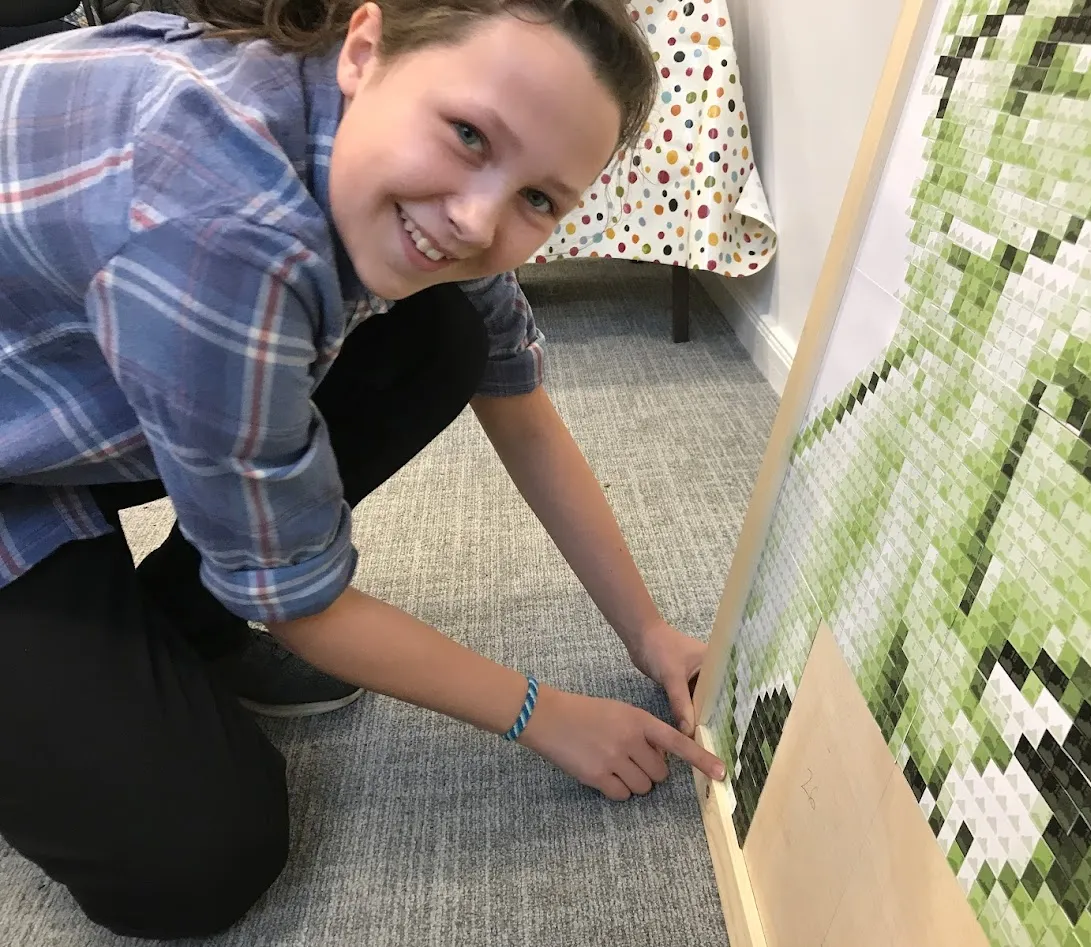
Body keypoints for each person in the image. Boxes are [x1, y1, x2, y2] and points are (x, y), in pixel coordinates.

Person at [0, 1, 726, 939]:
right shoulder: (225, 229)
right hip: (42, 415)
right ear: (364, 49)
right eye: (468, 136)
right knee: (196, 857)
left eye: (538, 199)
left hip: (54, 371)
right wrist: (542, 714)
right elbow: (302, 600)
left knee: (440, 334)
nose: (474, 220)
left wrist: (649, 632)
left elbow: (523, 412)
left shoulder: (388, 155)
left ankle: (168, 624)